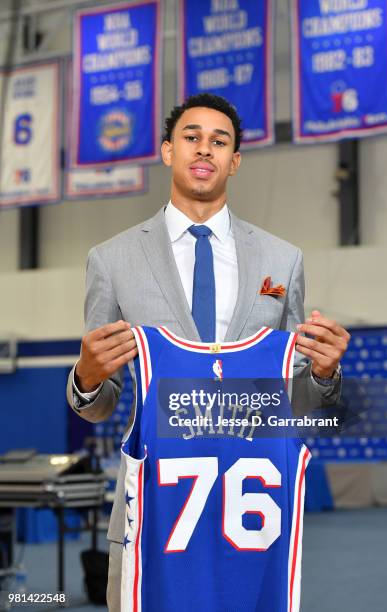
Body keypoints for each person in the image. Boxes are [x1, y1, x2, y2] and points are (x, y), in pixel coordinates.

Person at [66, 93, 350, 611]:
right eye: (191, 137)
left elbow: (297, 401)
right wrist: (86, 377)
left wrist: (326, 373)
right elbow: (101, 402)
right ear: (167, 150)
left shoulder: (282, 261)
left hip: (253, 516)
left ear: (235, 160)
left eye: (220, 141)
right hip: (154, 513)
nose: (205, 149)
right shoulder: (111, 260)